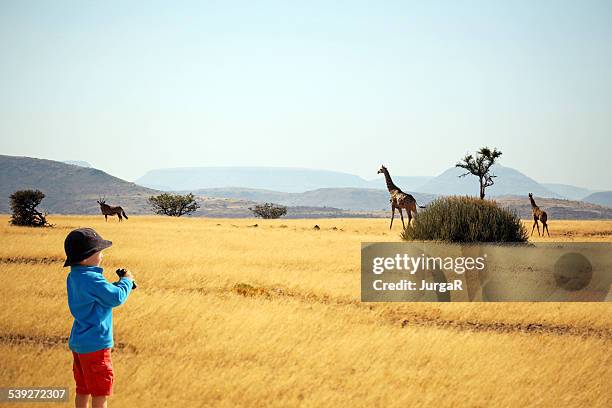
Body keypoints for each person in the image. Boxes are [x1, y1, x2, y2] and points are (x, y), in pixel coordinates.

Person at [64, 228, 135, 408]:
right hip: (96, 345)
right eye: (99, 252)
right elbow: (116, 297)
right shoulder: (92, 279)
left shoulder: (75, 276)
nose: (102, 256)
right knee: (100, 393)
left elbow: (98, 295)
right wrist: (126, 281)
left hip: (80, 344)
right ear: (87, 257)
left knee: (83, 389)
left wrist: (117, 285)